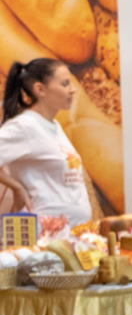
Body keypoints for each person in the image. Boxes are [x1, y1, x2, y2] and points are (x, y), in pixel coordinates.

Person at [0, 59, 93, 227]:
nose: (73, 90)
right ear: (40, 89)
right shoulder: (25, 126)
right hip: (45, 239)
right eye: (65, 84)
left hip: (72, 236)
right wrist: (16, 187)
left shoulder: (54, 125)